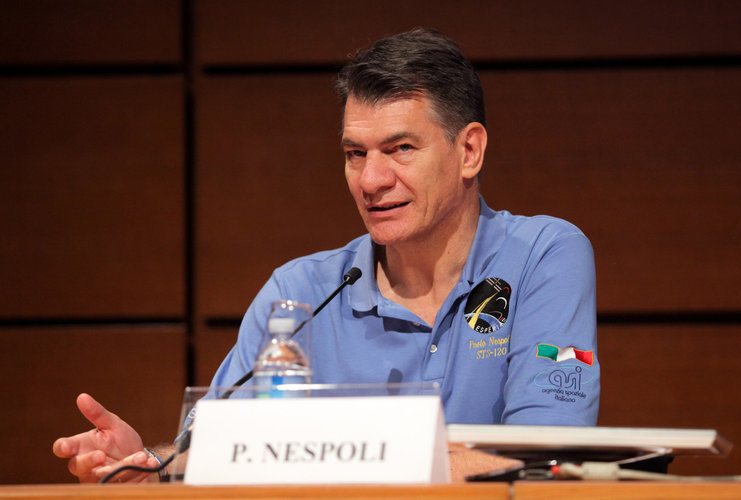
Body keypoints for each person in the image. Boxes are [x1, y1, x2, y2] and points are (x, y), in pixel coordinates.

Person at [53, 27, 599, 483]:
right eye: (354, 154)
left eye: (400, 149)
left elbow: (547, 457)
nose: (371, 179)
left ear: (469, 150)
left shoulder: (543, 257)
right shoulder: (299, 295)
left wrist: (332, 457)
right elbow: (229, 455)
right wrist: (158, 467)